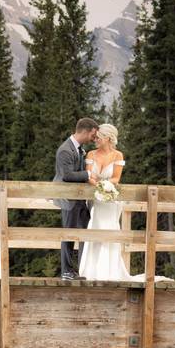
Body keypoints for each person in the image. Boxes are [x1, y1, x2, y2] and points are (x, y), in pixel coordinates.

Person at [77, 123, 172, 282]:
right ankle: (92, 271)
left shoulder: (117, 155)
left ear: (107, 138)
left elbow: (116, 178)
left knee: (110, 230)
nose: (95, 140)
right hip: (96, 199)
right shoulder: (91, 154)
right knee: (95, 230)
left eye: (98, 138)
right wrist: (98, 185)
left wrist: (107, 186)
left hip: (110, 200)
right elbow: (89, 176)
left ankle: (109, 272)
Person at [53, 117, 99, 281]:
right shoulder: (65, 150)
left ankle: (81, 269)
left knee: (85, 232)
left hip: (79, 199)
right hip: (68, 199)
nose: (93, 139)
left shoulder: (79, 149)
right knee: (69, 234)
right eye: (93, 135)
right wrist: (88, 174)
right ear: (86, 131)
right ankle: (66, 271)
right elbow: (67, 175)